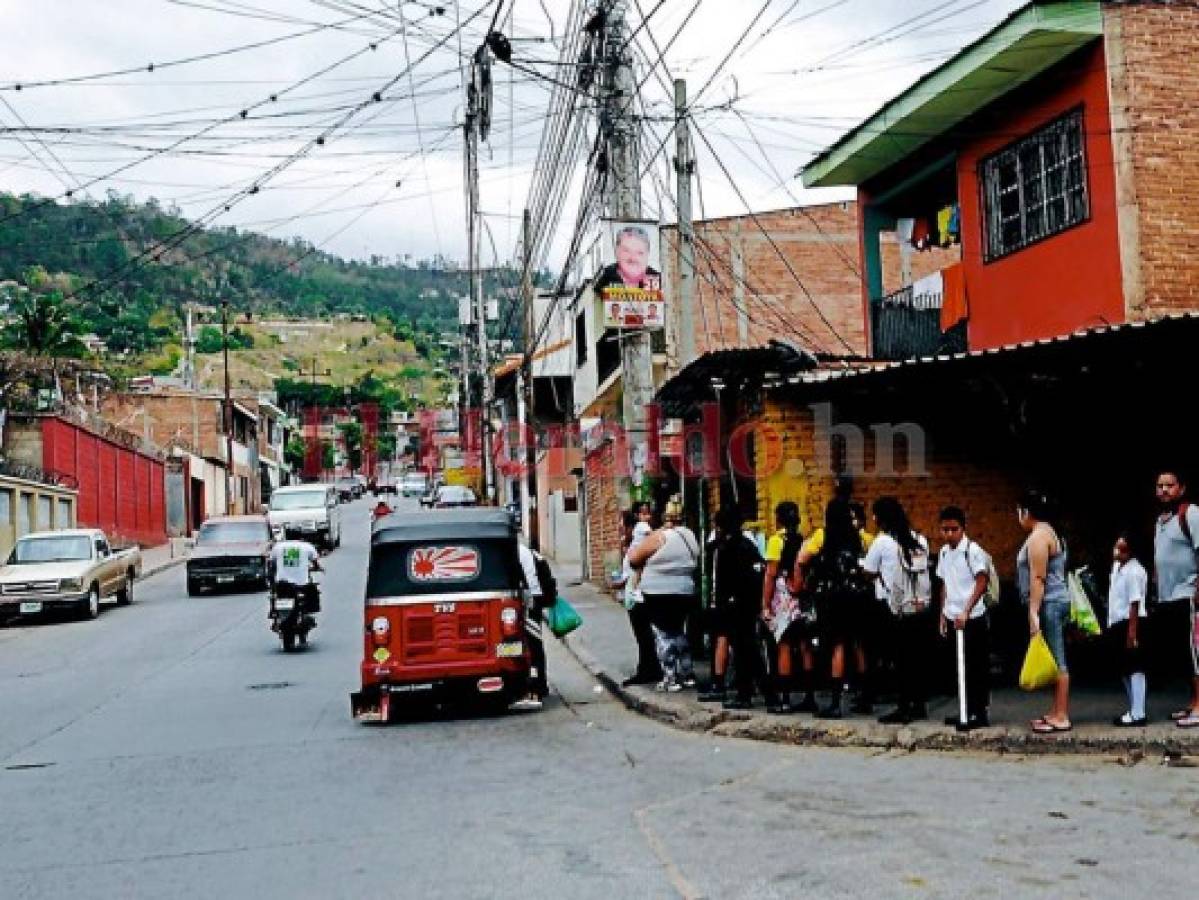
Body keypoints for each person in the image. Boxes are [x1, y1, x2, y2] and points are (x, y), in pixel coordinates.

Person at [797, 498, 868, 719]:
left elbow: (802, 558)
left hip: (833, 596)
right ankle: (864, 696)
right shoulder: (858, 536)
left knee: (836, 644)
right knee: (857, 643)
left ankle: (836, 703)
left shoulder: (822, 535)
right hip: (855, 595)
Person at [864, 497, 933, 725]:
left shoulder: (882, 541)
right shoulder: (919, 539)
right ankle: (919, 704)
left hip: (894, 608)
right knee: (918, 658)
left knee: (900, 660)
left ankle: (904, 707)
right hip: (920, 606)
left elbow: (868, 571)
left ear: (880, 517)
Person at [706, 506, 776, 710]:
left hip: (734, 606)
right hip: (747, 604)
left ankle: (768, 695)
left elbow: (723, 582)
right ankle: (745, 694)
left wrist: (721, 604)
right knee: (745, 652)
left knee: (749, 652)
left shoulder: (727, 547)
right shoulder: (747, 545)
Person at [629, 497, 699, 692]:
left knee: (663, 634)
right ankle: (687, 673)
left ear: (665, 517)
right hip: (685, 591)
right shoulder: (690, 536)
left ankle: (670, 677)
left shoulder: (660, 536)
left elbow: (635, 559)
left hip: (658, 593)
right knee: (678, 631)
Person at [1017, 489, 1072, 734]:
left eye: (1019, 511)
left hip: (1049, 603)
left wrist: (1033, 612)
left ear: (1026, 512)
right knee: (1052, 658)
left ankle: (1061, 715)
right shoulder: (1048, 532)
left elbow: (1038, 578)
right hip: (1052, 601)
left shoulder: (1039, 537)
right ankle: (1055, 711)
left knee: (1058, 659)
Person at [935, 506, 991, 730]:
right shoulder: (944, 553)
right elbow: (944, 584)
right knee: (959, 668)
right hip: (952, 615)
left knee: (976, 666)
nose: (949, 534)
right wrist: (942, 615)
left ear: (963, 528)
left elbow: (982, 581)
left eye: (953, 529)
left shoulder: (973, 550)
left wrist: (967, 610)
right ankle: (965, 710)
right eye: (945, 529)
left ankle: (980, 712)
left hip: (973, 617)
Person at [1151, 469, 1199, 728]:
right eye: (1160, 486)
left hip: (1188, 594)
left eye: (1170, 485)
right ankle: (1193, 703)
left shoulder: (1190, 514)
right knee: (1182, 653)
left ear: (1181, 488)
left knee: (1195, 652)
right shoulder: (1161, 521)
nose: (1164, 490)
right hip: (1168, 597)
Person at [761, 501, 817, 714]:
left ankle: (784, 699)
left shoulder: (776, 541)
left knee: (784, 644)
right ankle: (809, 697)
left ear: (779, 519)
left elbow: (770, 575)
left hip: (784, 597)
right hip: (802, 597)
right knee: (804, 645)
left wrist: (765, 604)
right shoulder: (803, 540)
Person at [1109, 529, 1150, 727]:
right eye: (1117, 547)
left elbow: (1135, 603)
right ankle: (1133, 708)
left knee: (1135, 667)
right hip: (1118, 622)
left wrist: (1132, 633)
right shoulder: (1118, 567)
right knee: (1124, 668)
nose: (1117, 552)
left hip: (1131, 622)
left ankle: (1138, 712)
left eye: (1122, 549)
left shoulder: (1135, 571)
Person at [621, 502, 663, 687]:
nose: (647, 517)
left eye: (648, 513)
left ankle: (648, 669)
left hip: (638, 592)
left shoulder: (642, 530)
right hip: (633, 591)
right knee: (643, 633)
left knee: (643, 633)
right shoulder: (639, 533)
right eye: (644, 513)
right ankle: (648, 667)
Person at [516, 542, 553, 711]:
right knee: (535, 643)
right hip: (535, 598)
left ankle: (536, 687)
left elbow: (526, 581)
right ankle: (540, 684)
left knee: (533, 645)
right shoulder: (526, 551)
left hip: (531, 600)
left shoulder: (517, 551)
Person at [595, 224, 661, 294]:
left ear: (647, 254)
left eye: (639, 253)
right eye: (626, 251)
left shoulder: (655, 278)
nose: (633, 258)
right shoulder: (608, 276)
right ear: (617, 251)